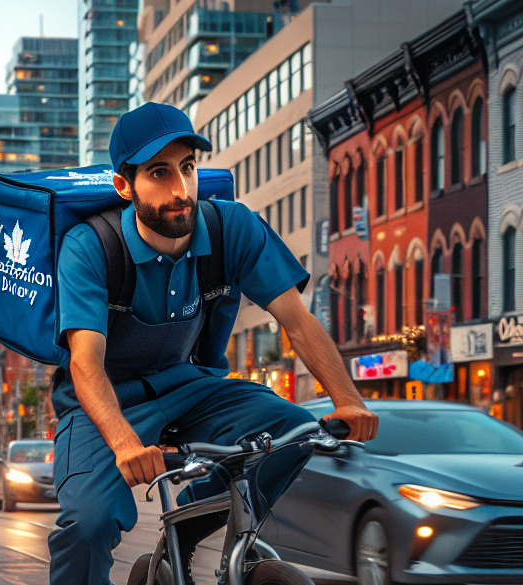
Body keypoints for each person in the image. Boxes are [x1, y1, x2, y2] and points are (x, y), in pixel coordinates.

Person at [46, 102, 379, 585]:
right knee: (89, 525)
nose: (180, 189)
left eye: (187, 168)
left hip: (192, 388)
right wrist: (124, 445)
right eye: (159, 173)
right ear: (124, 186)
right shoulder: (90, 247)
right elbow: (86, 362)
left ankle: (184, 532)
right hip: (104, 405)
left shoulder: (232, 228)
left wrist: (348, 402)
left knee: (292, 430)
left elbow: (299, 323)